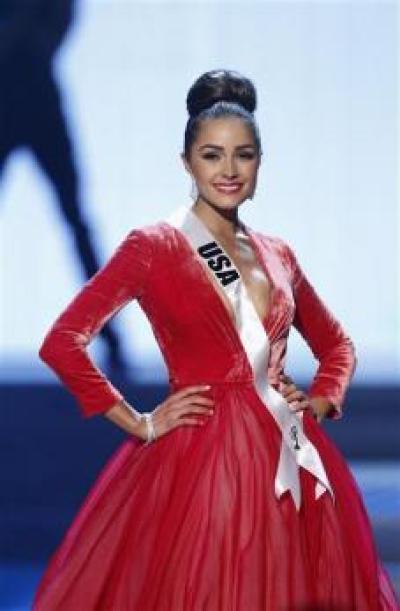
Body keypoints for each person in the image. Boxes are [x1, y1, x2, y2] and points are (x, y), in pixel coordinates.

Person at [32, 69, 399, 610]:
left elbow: (337, 344)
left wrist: (321, 399)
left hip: (289, 451)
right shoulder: (154, 246)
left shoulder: (279, 254)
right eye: (211, 155)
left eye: (243, 155)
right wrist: (140, 420)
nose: (228, 170)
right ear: (187, 162)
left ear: (259, 163)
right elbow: (62, 341)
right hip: (202, 459)